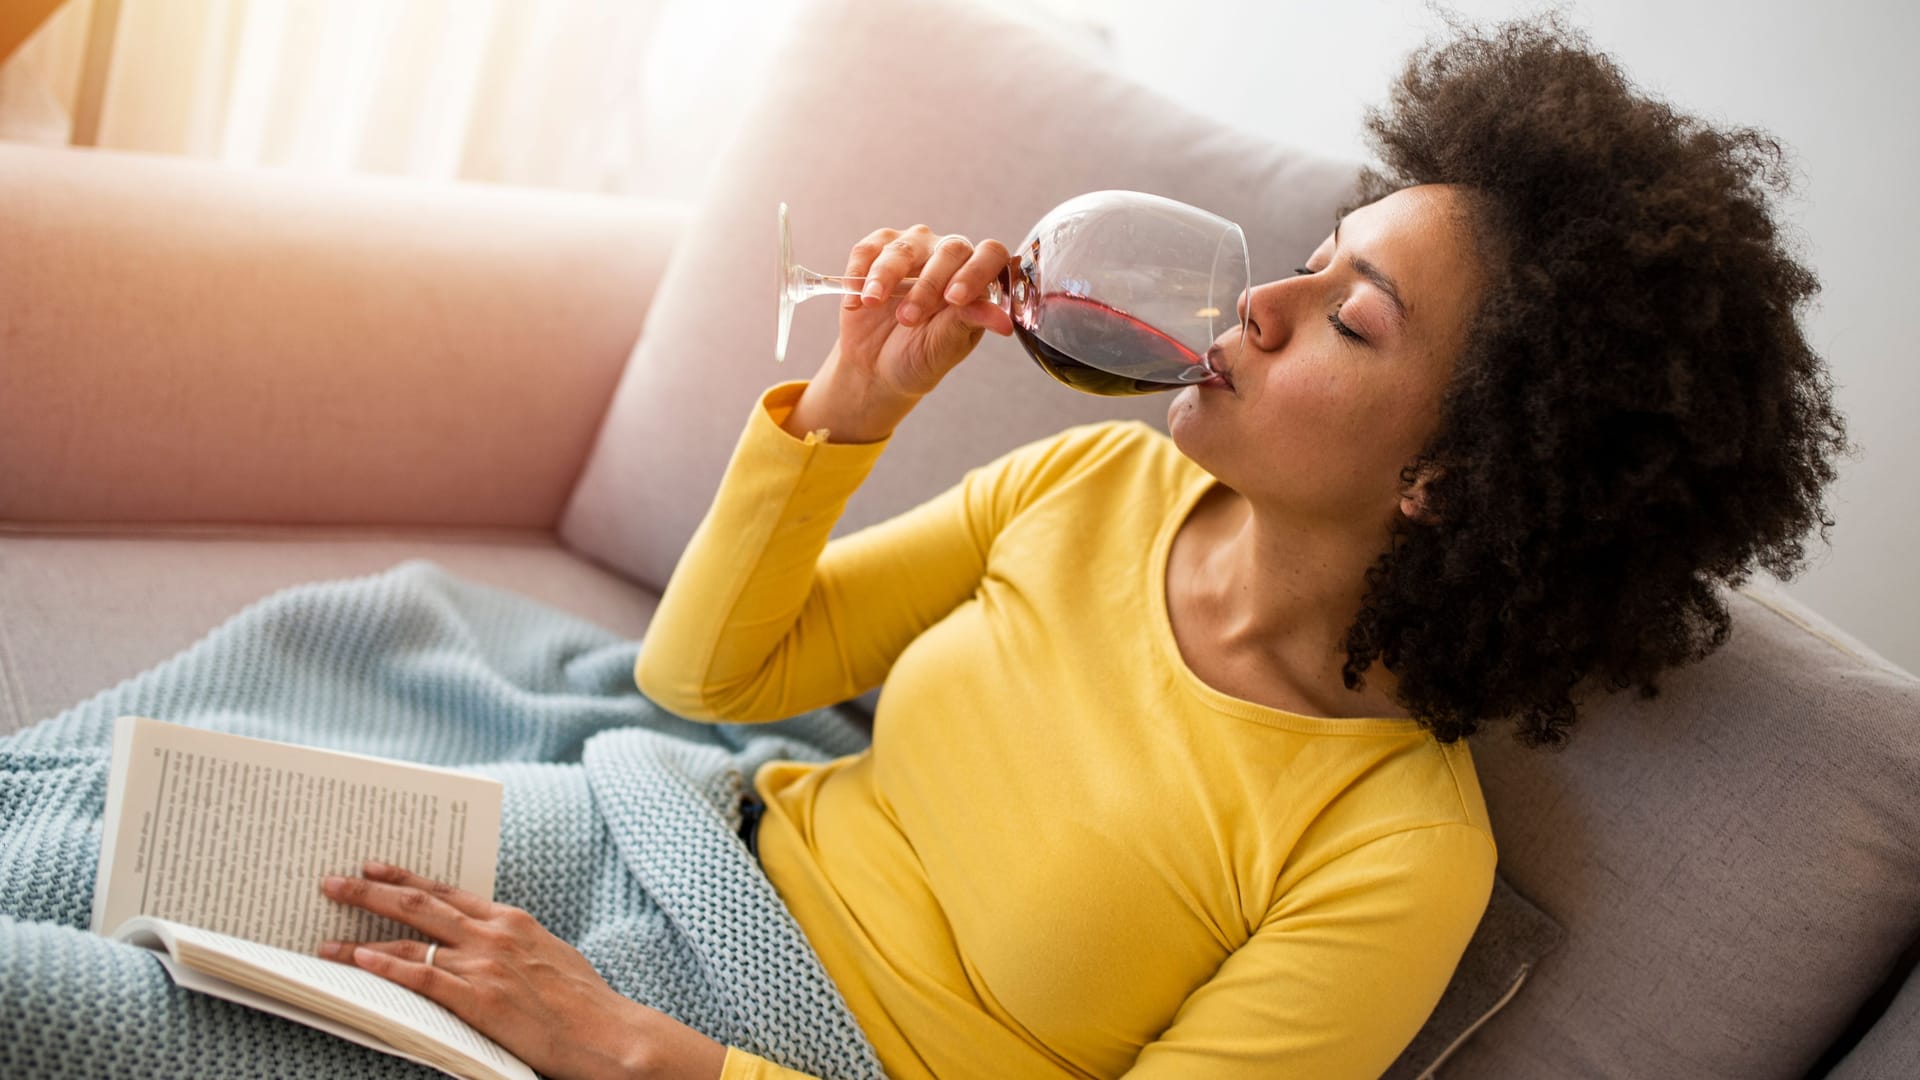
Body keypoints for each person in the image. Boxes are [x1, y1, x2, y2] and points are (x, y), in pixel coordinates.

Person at [315, 12, 1848, 1079]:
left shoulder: (1392, 857)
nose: (1261, 307)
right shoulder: (1092, 485)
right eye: (1309, 265)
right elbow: (704, 676)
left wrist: (652, 1061)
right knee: (123, 842)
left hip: (693, 1050)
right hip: (672, 872)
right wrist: (845, 415)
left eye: (1351, 317)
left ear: (1450, 477)